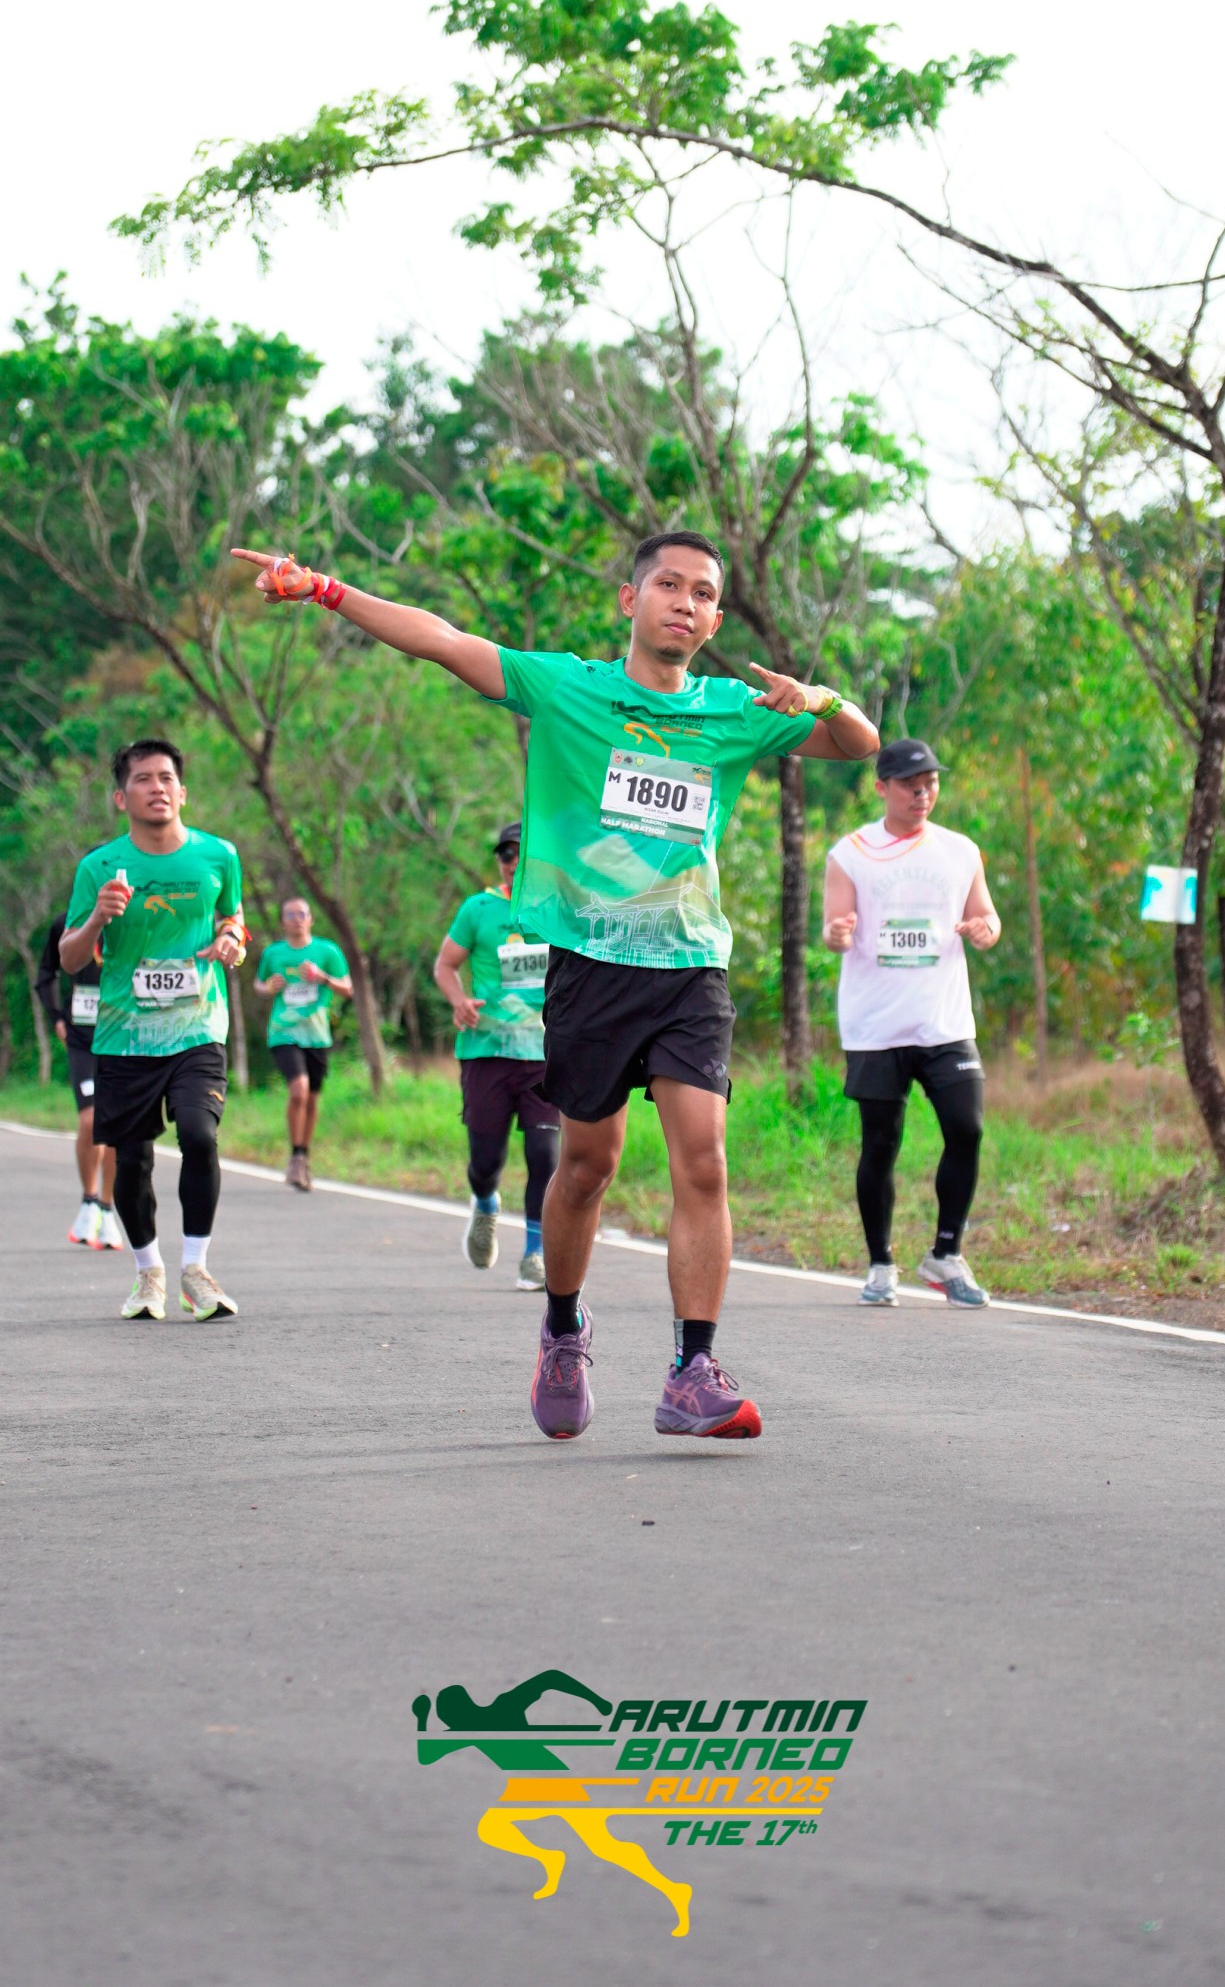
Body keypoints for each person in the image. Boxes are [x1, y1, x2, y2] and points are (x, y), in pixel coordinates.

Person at [231, 532, 879, 1440]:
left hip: (690, 964)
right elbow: (443, 640)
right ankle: (564, 1331)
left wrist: (821, 697)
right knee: (586, 1167)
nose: (685, 602)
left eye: (702, 593)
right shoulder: (566, 687)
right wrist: (326, 590)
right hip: (590, 966)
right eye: (668, 585)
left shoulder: (736, 710)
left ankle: (692, 1370)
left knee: (704, 1160)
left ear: (715, 619)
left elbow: (858, 744)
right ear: (630, 600)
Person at [59, 740, 248, 1323]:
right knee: (133, 1160)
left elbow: (233, 917)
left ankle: (196, 1269)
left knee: (199, 1134)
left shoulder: (218, 855)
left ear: (182, 792)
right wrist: (98, 917)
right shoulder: (99, 867)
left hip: (197, 1026)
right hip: (124, 1034)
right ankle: (149, 1274)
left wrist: (231, 940)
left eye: (166, 778)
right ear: (122, 797)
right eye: (143, 779)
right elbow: (69, 958)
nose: (157, 787)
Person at [823, 738, 1000, 1310]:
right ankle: (881, 1265)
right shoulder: (851, 853)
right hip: (876, 1025)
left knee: (967, 1128)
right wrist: (838, 934)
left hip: (944, 1021)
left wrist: (985, 930)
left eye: (930, 783)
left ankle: (946, 1254)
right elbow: (834, 926)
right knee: (881, 1143)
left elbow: (986, 915)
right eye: (910, 784)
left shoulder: (960, 851)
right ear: (882, 788)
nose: (922, 793)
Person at [433, 822, 558, 1291]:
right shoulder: (478, 909)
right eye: (505, 854)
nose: (513, 862)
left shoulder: (559, 908)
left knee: (544, 1155)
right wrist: (459, 1001)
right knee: (486, 1162)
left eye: (522, 853)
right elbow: (445, 965)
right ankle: (485, 1203)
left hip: (544, 1054)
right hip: (486, 1050)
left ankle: (535, 1254)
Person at [35, 912, 123, 1247]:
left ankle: (107, 1207)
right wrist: (56, 1017)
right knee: (89, 1120)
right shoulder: (65, 923)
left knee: (116, 1124)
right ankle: (89, 1202)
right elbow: (46, 973)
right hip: (82, 1038)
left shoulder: (133, 919)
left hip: (122, 1036)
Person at [253, 898, 351, 1190]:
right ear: (283, 921)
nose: (296, 919)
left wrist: (323, 978)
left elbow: (348, 988)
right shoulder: (274, 953)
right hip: (283, 1031)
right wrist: (268, 987)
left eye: (302, 914)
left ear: (311, 919)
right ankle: (295, 1155)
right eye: (290, 915)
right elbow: (259, 984)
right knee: (299, 1090)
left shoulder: (327, 951)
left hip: (317, 1035)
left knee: (312, 1098)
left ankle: (303, 1156)